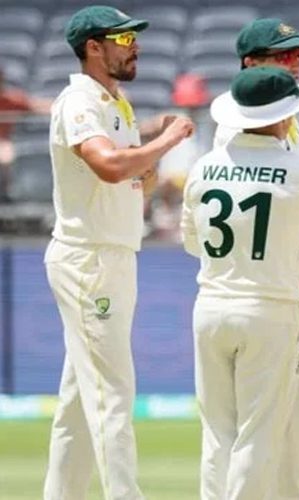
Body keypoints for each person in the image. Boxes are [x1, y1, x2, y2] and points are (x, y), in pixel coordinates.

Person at [43, 6, 194, 499]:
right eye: (125, 40)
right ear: (93, 47)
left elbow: (132, 184)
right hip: (89, 259)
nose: (136, 47)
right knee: (112, 394)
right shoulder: (79, 101)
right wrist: (167, 138)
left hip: (111, 253)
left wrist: (154, 154)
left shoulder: (116, 103)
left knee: (76, 402)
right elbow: (108, 167)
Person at [181, 66, 299, 499]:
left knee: (218, 433)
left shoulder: (205, 166)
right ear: (287, 116)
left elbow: (192, 241)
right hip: (269, 310)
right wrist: (284, 273)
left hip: (211, 305)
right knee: (259, 434)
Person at [212, 18, 299, 150]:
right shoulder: (240, 119)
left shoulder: (280, 103)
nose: (298, 64)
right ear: (252, 64)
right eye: (286, 56)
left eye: (298, 55)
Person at [0, 67, 52, 201]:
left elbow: (38, 106)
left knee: (6, 155)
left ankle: (7, 194)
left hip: (5, 141)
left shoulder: (11, 99)